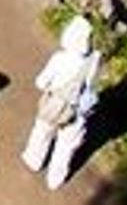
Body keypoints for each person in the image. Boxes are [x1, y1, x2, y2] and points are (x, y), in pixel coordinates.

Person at [22, 14, 101, 191]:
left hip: (54, 105)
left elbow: (40, 82)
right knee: (66, 147)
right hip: (77, 112)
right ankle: (55, 179)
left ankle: (34, 161)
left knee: (41, 133)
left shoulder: (60, 58)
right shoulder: (95, 60)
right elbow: (92, 86)